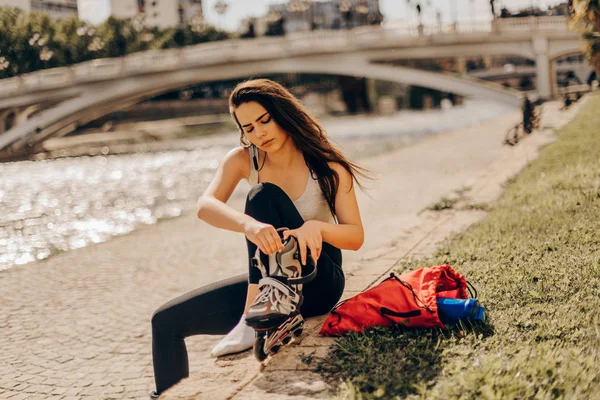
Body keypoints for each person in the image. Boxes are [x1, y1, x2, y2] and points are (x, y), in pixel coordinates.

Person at [149, 79, 368, 398]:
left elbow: (355, 236)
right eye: (249, 127)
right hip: (270, 286)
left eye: (265, 120)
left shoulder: (325, 165)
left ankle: (253, 319)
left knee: (263, 195)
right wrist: (248, 226)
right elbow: (205, 206)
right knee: (165, 322)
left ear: (283, 113)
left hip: (319, 279)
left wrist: (315, 228)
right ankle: (255, 317)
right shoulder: (244, 159)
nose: (259, 133)